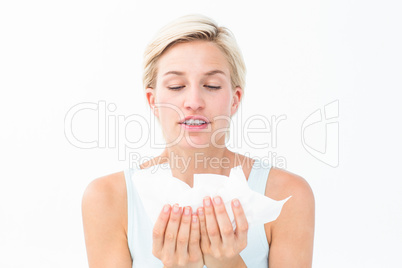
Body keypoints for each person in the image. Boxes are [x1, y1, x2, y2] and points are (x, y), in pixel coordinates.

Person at [82, 14, 315, 268]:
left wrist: (228, 264)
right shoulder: (107, 198)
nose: (193, 101)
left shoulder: (287, 195)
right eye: (175, 86)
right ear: (153, 101)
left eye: (212, 86)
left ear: (235, 99)